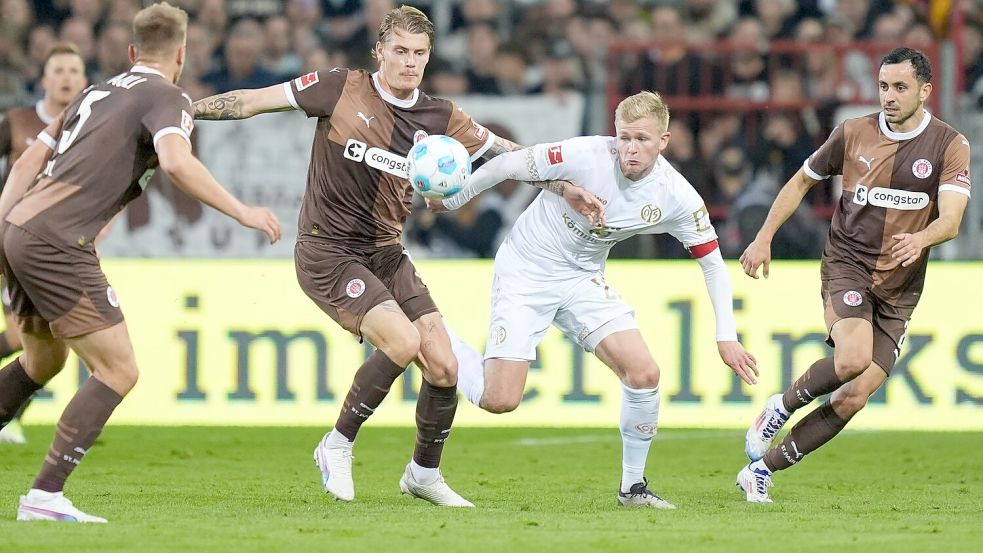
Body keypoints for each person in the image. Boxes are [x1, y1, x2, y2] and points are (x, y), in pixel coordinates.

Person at [192, 5, 603, 507]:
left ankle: (423, 474)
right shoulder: (339, 87)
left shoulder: (440, 117)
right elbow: (250, 101)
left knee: (445, 366)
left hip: (385, 252)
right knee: (403, 340)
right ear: (380, 51)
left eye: (419, 54)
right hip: (327, 250)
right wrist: (182, 115)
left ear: (429, 57)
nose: (409, 62)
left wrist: (562, 186)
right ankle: (337, 444)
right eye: (400, 51)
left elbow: (507, 155)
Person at [0, 2, 282, 523]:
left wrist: (2, 229)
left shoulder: (94, 91)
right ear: (181, 53)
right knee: (118, 370)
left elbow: (27, 161)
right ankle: (44, 496)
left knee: (43, 362)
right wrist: (242, 210)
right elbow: (175, 160)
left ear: (131, 52)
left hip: (18, 228)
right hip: (60, 240)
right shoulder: (166, 95)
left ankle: (43, 494)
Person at [431, 90, 760, 508]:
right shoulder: (585, 154)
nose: (630, 149)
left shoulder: (676, 196)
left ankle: (633, 488)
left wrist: (726, 335)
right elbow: (507, 163)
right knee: (500, 400)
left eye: (642, 139)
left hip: (582, 278)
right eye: (623, 137)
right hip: (527, 269)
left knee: (644, 373)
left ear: (665, 140)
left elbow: (713, 264)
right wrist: (454, 199)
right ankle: (437, 337)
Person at [737, 48, 970, 503]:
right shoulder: (853, 133)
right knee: (851, 360)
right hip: (849, 264)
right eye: (883, 86)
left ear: (925, 90)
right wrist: (764, 236)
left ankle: (760, 471)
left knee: (853, 396)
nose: (889, 96)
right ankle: (779, 406)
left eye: (900, 87)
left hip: (900, 289)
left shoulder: (949, 144)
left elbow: (953, 219)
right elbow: (802, 179)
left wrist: (922, 240)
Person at [0, 42, 88, 445]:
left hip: (57, 244)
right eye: (59, 70)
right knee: (29, 339)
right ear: (44, 79)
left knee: (40, 340)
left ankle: (12, 413)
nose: (67, 77)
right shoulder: (16, 121)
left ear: (85, 80)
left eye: (74, 70)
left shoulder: (90, 127)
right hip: (11, 238)